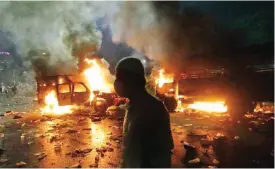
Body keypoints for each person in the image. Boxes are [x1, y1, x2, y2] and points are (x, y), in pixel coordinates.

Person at [114, 57, 174, 168]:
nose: (116, 83)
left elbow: (161, 157)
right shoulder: (132, 107)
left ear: (131, 80)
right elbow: (130, 151)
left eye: (119, 78)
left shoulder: (153, 110)